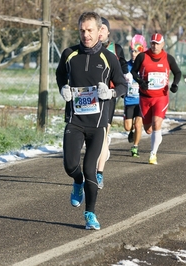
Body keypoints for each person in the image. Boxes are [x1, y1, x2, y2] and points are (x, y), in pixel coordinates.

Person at [55, 11, 127, 230]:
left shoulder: (109, 57)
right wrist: (63, 88)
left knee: (90, 170)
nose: (86, 35)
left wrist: (111, 94)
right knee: (70, 166)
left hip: (97, 124)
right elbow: (60, 75)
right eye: (82, 30)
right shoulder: (69, 54)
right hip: (75, 120)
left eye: (90, 30)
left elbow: (122, 84)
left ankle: (90, 214)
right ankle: (77, 182)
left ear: (99, 31)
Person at [130, 33, 182, 165]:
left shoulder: (168, 58)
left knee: (156, 124)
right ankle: (156, 137)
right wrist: (141, 82)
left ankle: (153, 154)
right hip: (145, 97)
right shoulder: (142, 56)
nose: (155, 46)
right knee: (148, 129)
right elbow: (133, 72)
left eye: (158, 43)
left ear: (163, 44)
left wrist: (175, 84)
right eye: (153, 43)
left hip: (161, 97)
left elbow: (178, 72)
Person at [95, 17, 128, 188]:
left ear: (107, 32)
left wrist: (124, 77)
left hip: (108, 96)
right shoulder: (85, 50)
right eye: (96, 28)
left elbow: (123, 68)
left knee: (102, 134)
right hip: (90, 96)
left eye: (102, 29)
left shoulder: (116, 49)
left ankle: (99, 173)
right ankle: (100, 154)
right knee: (93, 137)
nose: (99, 32)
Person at [123, 34, 147, 157]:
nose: (133, 54)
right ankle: (131, 131)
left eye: (137, 51)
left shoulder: (145, 66)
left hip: (141, 100)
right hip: (128, 100)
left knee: (138, 124)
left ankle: (135, 147)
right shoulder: (126, 66)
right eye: (132, 51)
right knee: (128, 127)